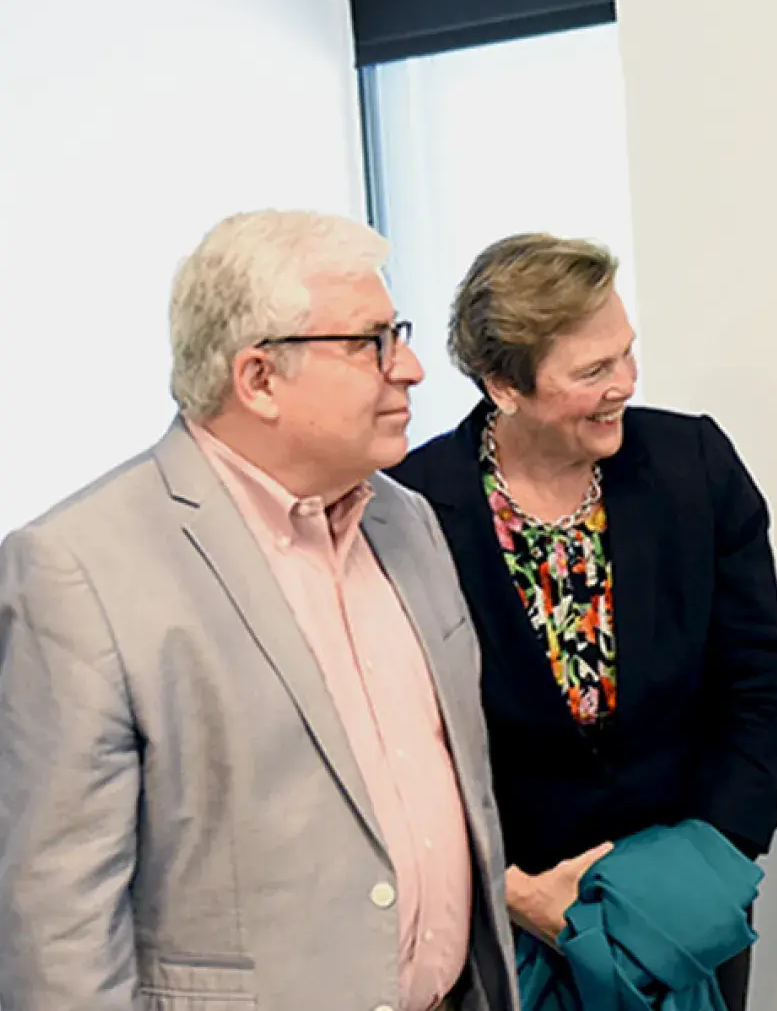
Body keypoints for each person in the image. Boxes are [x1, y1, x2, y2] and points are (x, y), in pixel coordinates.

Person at [0, 211, 516, 1010]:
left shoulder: (406, 520)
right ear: (259, 379)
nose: (410, 369)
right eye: (372, 342)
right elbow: (57, 930)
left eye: (399, 335)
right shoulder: (77, 570)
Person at [389, 233, 777, 1011]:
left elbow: (756, 681)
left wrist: (705, 868)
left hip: (682, 913)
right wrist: (511, 889)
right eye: (593, 371)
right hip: (502, 922)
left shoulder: (694, 465)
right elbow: (402, 742)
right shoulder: (408, 509)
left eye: (626, 354)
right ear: (503, 385)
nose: (626, 384)